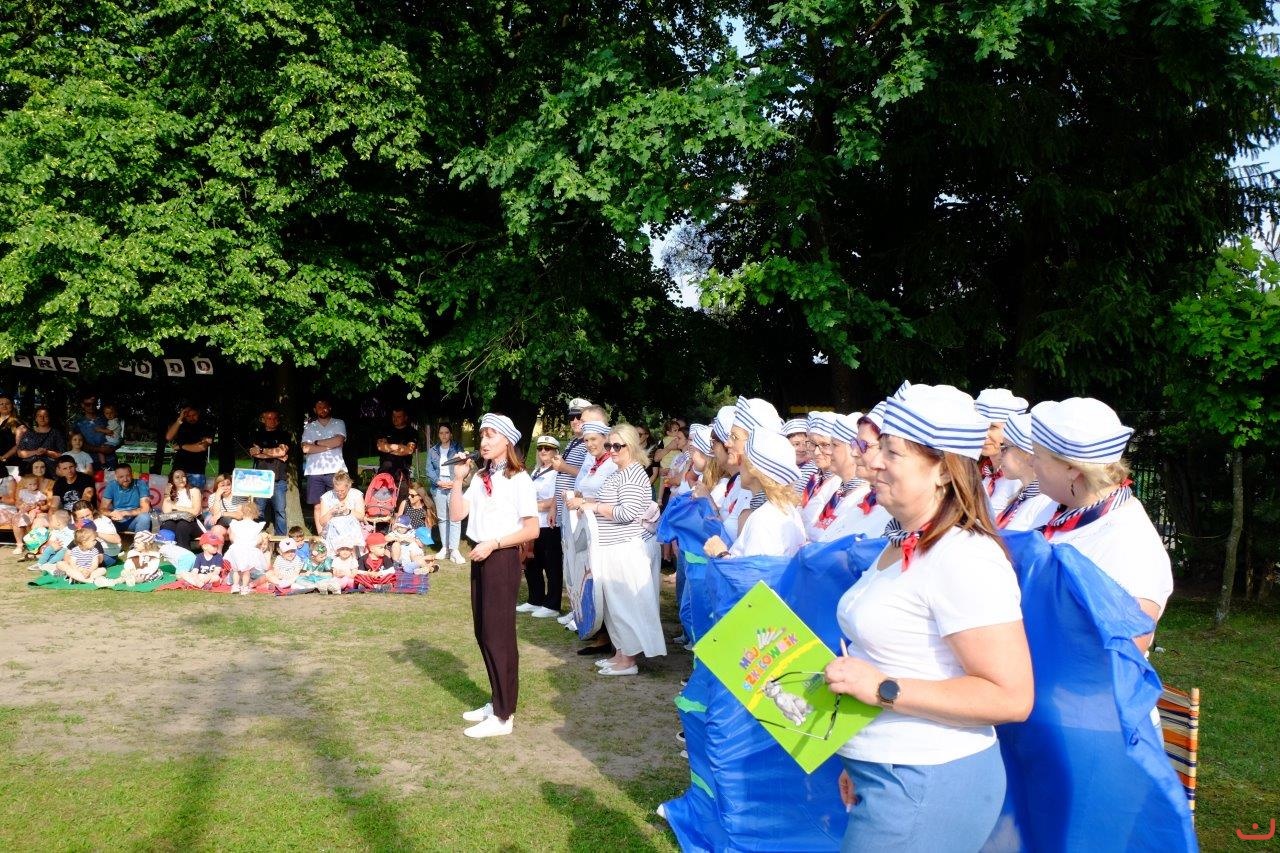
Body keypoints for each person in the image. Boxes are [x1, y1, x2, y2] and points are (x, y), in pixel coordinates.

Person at [823, 383, 1034, 852]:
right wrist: (860, 756)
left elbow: (1011, 696)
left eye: (892, 452)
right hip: (891, 774)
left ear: (942, 470)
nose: (874, 461)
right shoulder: (904, 540)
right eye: (878, 447)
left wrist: (882, 689)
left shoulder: (965, 556)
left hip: (926, 780)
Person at [1030, 398, 1174, 653]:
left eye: (1038, 455)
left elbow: (1124, 651)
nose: (1032, 463)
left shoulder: (1131, 545)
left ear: (1072, 468)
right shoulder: (1054, 508)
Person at [449, 413, 539, 738]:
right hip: (481, 554)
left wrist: (494, 543)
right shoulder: (481, 477)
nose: (484, 442)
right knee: (483, 632)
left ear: (507, 441)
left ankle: (504, 715)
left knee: (499, 635)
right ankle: (497, 700)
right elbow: (457, 514)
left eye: (491, 435)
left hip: (501, 557)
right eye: (482, 435)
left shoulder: (520, 479)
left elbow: (532, 529)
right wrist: (458, 480)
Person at [574, 423, 667, 676]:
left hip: (626, 549)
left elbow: (627, 513)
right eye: (609, 445)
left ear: (632, 446)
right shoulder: (618, 473)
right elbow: (608, 503)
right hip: (612, 547)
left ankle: (629, 660)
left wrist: (594, 507)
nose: (612, 450)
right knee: (615, 606)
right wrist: (586, 504)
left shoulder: (634, 474)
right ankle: (620, 653)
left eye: (617, 445)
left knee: (628, 605)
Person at [704, 430, 805, 559]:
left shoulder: (764, 519)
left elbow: (756, 571)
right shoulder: (786, 509)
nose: (739, 465)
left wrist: (720, 553)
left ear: (754, 470)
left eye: (743, 460)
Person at [518, 435, 564, 618]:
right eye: (540, 448)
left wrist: (529, 507)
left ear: (555, 451)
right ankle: (535, 599)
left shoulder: (558, 472)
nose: (543, 451)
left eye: (548, 448)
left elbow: (554, 499)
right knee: (532, 563)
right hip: (534, 523)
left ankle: (552, 604)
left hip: (550, 524)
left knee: (551, 565)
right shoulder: (537, 470)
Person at [993, 412, 1056, 531]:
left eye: (1005, 448)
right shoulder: (1022, 497)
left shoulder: (1045, 503)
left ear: (1027, 453)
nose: (1000, 456)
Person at [974, 388, 1029, 518]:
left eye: (993, 427)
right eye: (980, 426)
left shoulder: (1020, 480)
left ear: (1011, 431)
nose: (984, 434)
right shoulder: (981, 474)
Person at [301, 398, 347, 523]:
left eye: (325, 407)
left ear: (329, 408)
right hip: (314, 471)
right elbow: (305, 448)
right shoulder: (310, 427)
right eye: (319, 407)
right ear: (315, 410)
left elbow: (338, 441)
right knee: (318, 506)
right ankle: (321, 532)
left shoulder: (338, 423)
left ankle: (337, 531)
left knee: (338, 503)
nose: (323, 410)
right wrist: (329, 446)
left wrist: (316, 443)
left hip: (336, 470)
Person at [248, 409, 292, 536]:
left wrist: (262, 451)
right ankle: (258, 537)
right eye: (268, 418)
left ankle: (281, 541)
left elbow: (282, 451)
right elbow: (253, 453)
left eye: (274, 418)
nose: (271, 420)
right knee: (259, 510)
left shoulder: (284, 435)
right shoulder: (257, 435)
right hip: (260, 479)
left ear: (278, 420)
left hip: (279, 479)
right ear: (263, 420)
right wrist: (276, 454)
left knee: (280, 512)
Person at [425, 423, 464, 562]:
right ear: (438, 435)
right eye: (441, 433)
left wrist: (455, 482)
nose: (444, 435)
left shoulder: (457, 448)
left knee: (455, 517)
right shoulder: (433, 451)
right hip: (439, 485)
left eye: (446, 432)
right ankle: (445, 548)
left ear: (450, 434)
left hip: (454, 483)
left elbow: (463, 464)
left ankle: (454, 550)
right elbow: (429, 470)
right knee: (442, 518)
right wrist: (439, 482)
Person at [315, 471, 365, 555]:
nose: (340, 493)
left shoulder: (356, 494)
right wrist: (331, 512)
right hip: (333, 531)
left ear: (348, 486)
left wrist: (348, 511)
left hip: (352, 530)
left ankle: (352, 555)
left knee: (349, 523)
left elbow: (361, 517)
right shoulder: (326, 497)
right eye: (337, 491)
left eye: (342, 491)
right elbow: (322, 522)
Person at [165, 405, 215, 489]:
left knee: (195, 496)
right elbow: (168, 437)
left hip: (195, 472)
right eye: (188, 416)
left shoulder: (206, 427)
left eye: (194, 415)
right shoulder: (180, 426)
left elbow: (202, 447)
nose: (191, 418)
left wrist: (181, 446)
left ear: (198, 413)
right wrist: (180, 418)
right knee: (173, 496)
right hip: (178, 470)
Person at [225, 500, 268, 595]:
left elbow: (232, 537)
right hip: (248, 550)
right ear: (255, 514)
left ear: (241, 513)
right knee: (246, 570)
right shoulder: (256, 526)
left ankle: (235, 586)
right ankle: (244, 587)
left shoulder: (235, 524)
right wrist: (256, 542)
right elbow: (258, 539)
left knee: (236, 569)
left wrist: (237, 542)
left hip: (236, 549)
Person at [100, 464, 153, 534]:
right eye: (121, 477)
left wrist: (124, 513)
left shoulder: (141, 484)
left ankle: (140, 540)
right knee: (100, 519)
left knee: (145, 517)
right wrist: (111, 513)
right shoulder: (111, 485)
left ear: (132, 475)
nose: (125, 479)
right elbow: (102, 509)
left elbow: (145, 509)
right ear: (116, 477)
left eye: (128, 475)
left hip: (134, 520)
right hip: (116, 521)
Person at [158, 469, 203, 547]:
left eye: (183, 476)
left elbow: (195, 511)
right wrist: (167, 495)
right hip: (175, 523)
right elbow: (166, 511)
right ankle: (167, 550)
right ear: (172, 480)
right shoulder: (170, 494)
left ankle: (183, 551)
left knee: (182, 524)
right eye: (177, 477)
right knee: (168, 524)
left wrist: (175, 507)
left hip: (192, 524)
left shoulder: (194, 491)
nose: (181, 479)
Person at [15, 406, 67, 474]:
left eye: (45, 416)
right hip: (29, 468)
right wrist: (35, 452)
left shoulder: (56, 433)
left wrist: (47, 452)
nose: (42, 418)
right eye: (39, 416)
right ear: (36, 418)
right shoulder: (29, 433)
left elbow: (63, 454)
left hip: (50, 470)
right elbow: (20, 453)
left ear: (49, 417)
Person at [376, 407, 418, 487]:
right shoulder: (385, 430)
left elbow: (409, 450)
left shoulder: (412, 432)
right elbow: (380, 447)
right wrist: (399, 447)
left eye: (398, 417)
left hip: (402, 470)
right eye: (393, 416)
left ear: (405, 418)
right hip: (384, 470)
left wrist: (388, 448)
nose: (395, 419)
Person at [72, 500, 123, 566]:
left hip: (107, 553)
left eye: (88, 515)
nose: (85, 519)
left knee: (82, 563)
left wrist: (96, 533)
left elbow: (117, 540)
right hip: (86, 552)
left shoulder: (102, 521)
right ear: (76, 518)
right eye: (82, 517)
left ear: (92, 512)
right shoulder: (78, 523)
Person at [73, 394, 114, 469]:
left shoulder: (106, 418)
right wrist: (100, 449)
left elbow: (118, 436)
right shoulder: (78, 423)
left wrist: (113, 447)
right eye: (88, 404)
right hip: (88, 462)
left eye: (94, 404)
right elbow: (77, 444)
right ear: (82, 405)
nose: (91, 406)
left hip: (110, 460)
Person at [0, 395, 22, 477]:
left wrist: (3, 457)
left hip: (10, 462)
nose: (4, 406)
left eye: (7, 403)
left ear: (12, 405)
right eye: (1, 404)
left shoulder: (18, 423)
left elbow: (19, 444)